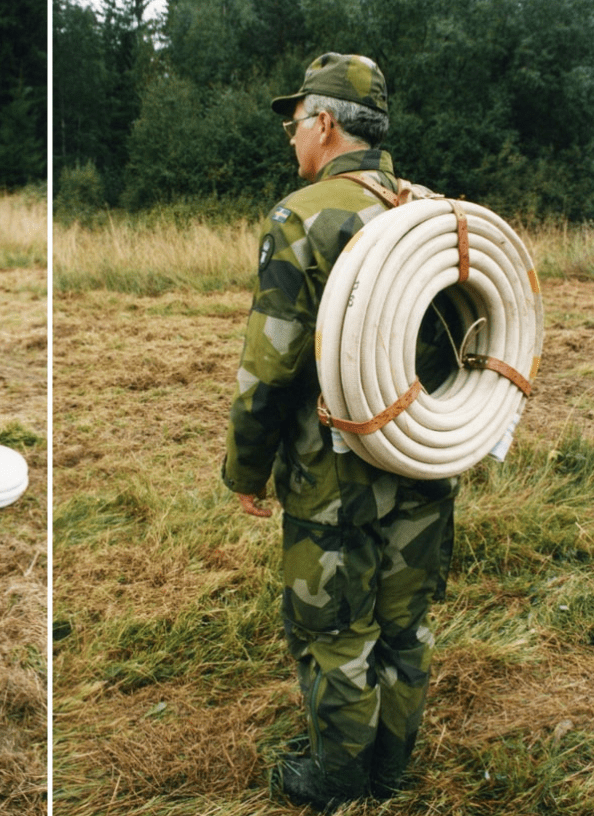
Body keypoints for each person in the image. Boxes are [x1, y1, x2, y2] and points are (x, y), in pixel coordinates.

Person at [222, 53, 457, 812]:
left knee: (335, 630)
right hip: (424, 453)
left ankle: (337, 780)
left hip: (335, 470)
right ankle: (391, 769)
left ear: (324, 123)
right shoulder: (432, 214)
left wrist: (245, 470)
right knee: (404, 623)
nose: (291, 137)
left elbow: (271, 363)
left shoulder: (306, 214)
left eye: (296, 122)